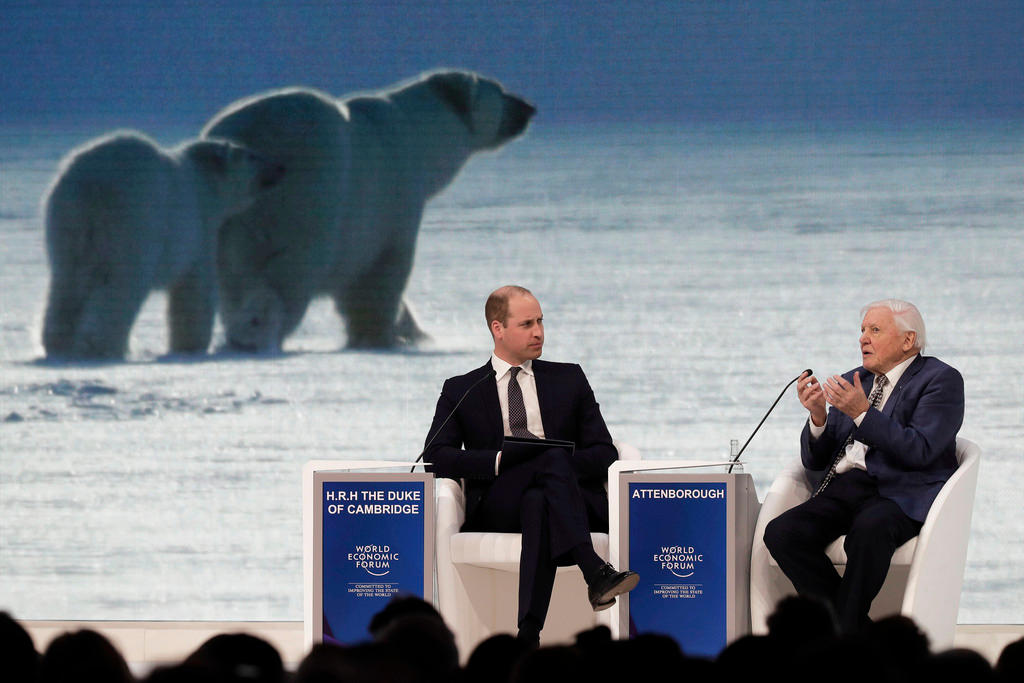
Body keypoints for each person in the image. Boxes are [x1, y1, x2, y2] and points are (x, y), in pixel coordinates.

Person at [423, 285, 638, 645]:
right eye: (526, 324)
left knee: (540, 495)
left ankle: (528, 634)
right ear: (498, 328)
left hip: (568, 500)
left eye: (540, 321)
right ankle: (594, 571)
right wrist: (499, 461)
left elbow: (604, 452)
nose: (538, 332)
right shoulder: (461, 389)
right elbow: (436, 454)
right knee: (543, 468)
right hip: (499, 501)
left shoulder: (569, 378)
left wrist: (557, 465)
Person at [763, 299, 964, 635]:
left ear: (907, 340)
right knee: (782, 533)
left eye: (875, 330)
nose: (863, 339)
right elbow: (815, 461)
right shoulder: (854, 380)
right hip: (847, 488)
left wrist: (862, 414)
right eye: (862, 330)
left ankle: (843, 634)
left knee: (869, 530)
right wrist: (818, 418)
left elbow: (921, 450)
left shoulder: (940, 380)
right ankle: (857, 634)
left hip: (902, 491)